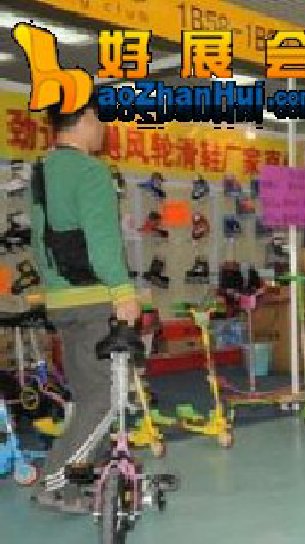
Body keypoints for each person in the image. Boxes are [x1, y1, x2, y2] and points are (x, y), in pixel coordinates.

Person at [30, 94, 140, 513]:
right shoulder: (91, 171)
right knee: (107, 399)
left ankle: (66, 487)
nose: (104, 128)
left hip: (61, 302)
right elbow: (102, 239)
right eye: (100, 119)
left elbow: (40, 240)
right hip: (94, 300)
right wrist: (123, 291)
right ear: (86, 117)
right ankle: (57, 482)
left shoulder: (42, 169)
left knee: (86, 398)